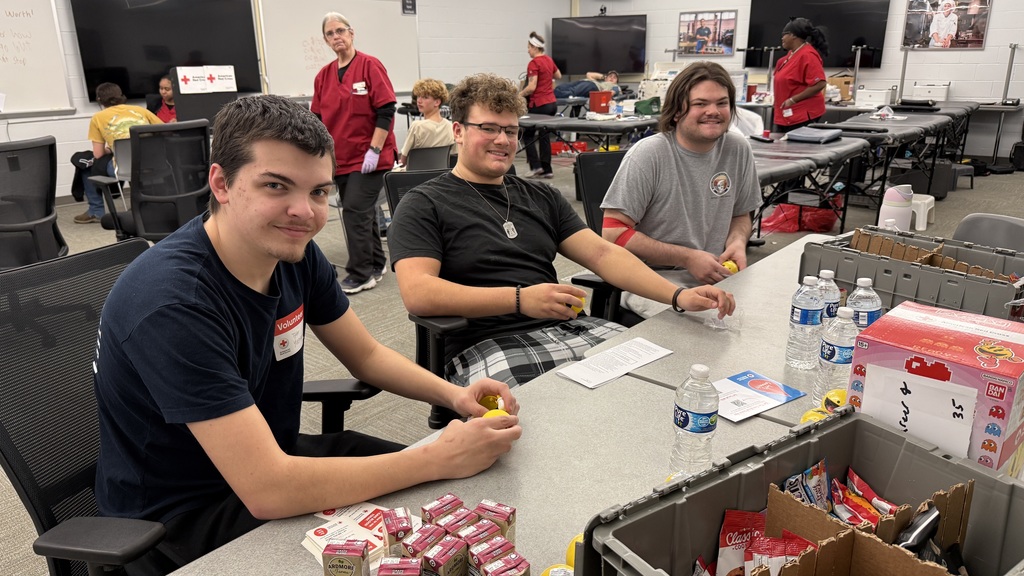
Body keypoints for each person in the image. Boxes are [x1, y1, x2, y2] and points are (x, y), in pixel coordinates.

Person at [93, 94, 522, 574]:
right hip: (182, 519)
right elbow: (268, 491)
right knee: (424, 510)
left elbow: (367, 356)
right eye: (276, 185)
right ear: (222, 183)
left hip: (276, 458)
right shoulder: (174, 303)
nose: (305, 212)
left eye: (319, 192)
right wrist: (437, 458)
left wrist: (457, 397)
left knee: (446, 514)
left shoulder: (290, 252)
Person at [388, 73, 735, 388]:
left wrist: (677, 296)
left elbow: (603, 253)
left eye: (510, 130)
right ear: (459, 131)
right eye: (489, 128)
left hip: (572, 329)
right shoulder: (423, 204)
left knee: (662, 382)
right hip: (484, 348)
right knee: (536, 430)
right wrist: (521, 300)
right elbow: (419, 292)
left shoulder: (541, 196)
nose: (503, 140)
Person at [600, 61, 761, 319]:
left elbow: (741, 215)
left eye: (722, 103)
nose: (714, 111)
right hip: (654, 283)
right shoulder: (649, 154)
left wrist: (738, 242)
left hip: (719, 278)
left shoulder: (737, 149)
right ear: (677, 111)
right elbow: (612, 233)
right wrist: (687, 258)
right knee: (710, 334)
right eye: (700, 104)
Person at [312, 12, 397, 294]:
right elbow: (317, 118)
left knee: (354, 211)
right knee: (362, 211)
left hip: (371, 156)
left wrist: (374, 150)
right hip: (341, 160)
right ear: (326, 40)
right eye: (330, 34)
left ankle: (361, 274)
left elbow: (386, 110)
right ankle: (375, 262)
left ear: (351, 33)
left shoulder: (369, 66)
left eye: (340, 31)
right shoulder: (324, 76)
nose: (336, 37)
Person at [75, 82, 162, 224]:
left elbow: (97, 154)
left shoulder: (98, 117)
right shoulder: (141, 110)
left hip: (124, 167)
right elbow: (166, 131)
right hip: (154, 163)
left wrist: (112, 148)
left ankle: (96, 211)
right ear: (121, 96)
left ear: (99, 100)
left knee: (86, 166)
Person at [772, 17, 829, 132]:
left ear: (793, 35)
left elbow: (820, 83)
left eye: (784, 34)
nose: (782, 38)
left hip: (801, 115)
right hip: (785, 114)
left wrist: (793, 100)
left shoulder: (808, 55)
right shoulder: (788, 57)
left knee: (796, 148)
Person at [518, 31, 561, 179]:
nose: (528, 50)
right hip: (552, 104)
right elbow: (558, 75)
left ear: (535, 47)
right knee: (544, 136)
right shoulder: (549, 60)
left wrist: (518, 95)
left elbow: (531, 87)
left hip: (539, 104)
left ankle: (535, 166)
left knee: (528, 134)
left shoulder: (534, 63)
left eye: (529, 47)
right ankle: (547, 169)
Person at [399, 78, 455, 167]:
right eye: (418, 96)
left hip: (415, 175)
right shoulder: (450, 126)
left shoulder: (417, 126)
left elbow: (403, 161)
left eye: (425, 97)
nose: (419, 101)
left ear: (437, 102)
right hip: (440, 175)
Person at [553, 71, 621, 98]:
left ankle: (553, 95)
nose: (612, 78)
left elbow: (612, 92)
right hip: (583, 81)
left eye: (614, 77)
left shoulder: (616, 86)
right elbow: (588, 74)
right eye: (610, 76)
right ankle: (554, 93)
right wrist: (604, 77)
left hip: (593, 86)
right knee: (560, 87)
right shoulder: (601, 82)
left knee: (572, 91)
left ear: (617, 81)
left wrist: (603, 93)